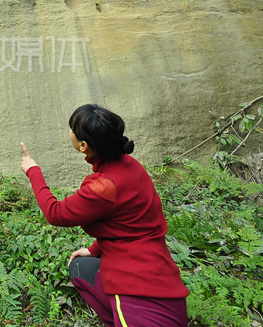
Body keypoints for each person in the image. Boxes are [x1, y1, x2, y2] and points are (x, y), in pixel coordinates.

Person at [20, 104, 189, 327]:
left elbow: (56, 214)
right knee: (80, 268)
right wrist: (93, 250)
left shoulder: (103, 186)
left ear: (83, 146)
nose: (69, 131)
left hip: (137, 287)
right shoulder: (131, 166)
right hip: (159, 271)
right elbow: (130, 223)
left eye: (72, 128)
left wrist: (33, 171)